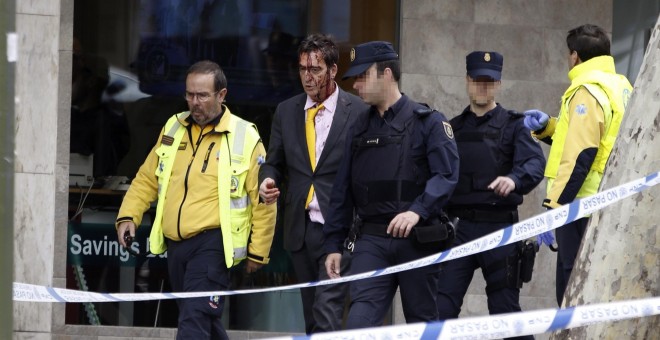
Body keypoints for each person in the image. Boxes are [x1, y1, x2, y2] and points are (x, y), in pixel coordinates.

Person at [115, 60, 277, 339]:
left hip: (213, 245)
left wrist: (258, 251)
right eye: (189, 94)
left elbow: (263, 198)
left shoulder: (244, 136)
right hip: (177, 246)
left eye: (202, 95)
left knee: (194, 320)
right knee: (203, 320)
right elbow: (147, 178)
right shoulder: (173, 127)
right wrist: (129, 215)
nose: (194, 102)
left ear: (221, 95)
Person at [323, 41, 459, 329]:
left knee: (421, 326)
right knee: (358, 326)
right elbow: (341, 190)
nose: (356, 86)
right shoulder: (358, 128)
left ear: (386, 74)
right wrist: (333, 244)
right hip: (371, 240)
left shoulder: (429, 123)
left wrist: (417, 211)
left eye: (362, 76)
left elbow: (446, 175)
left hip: (418, 239)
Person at [258, 33, 368, 334]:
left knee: (326, 313)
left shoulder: (358, 111)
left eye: (315, 70)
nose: (308, 77)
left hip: (340, 229)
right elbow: (274, 161)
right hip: (300, 229)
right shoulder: (286, 111)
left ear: (332, 70)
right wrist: (267, 180)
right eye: (303, 69)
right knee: (312, 315)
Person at [435, 51, 545, 339]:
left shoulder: (515, 124)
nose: (483, 87)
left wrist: (514, 179)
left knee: (504, 311)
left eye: (489, 81)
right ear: (467, 81)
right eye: (477, 80)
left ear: (498, 84)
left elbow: (535, 165)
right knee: (440, 309)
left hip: (500, 228)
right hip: (458, 229)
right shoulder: (451, 129)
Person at [523, 24, 633, 305]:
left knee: (572, 289)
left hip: (581, 205)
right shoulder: (621, 85)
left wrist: (554, 209)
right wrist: (548, 127)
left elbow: (582, 152)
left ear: (574, 57)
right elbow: (595, 139)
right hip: (609, 199)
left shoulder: (587, 90)